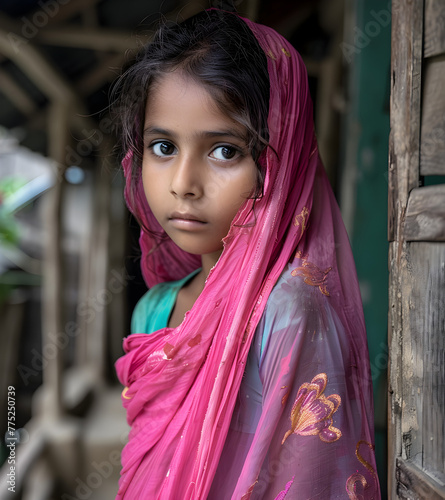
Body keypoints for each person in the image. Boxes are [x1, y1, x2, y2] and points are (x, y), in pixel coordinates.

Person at [112, 8, 380, 500]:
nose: (183, 184)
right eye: (163, 146)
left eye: (225, 151)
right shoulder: (154, 309)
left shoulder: (290, 312)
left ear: (280, 160)